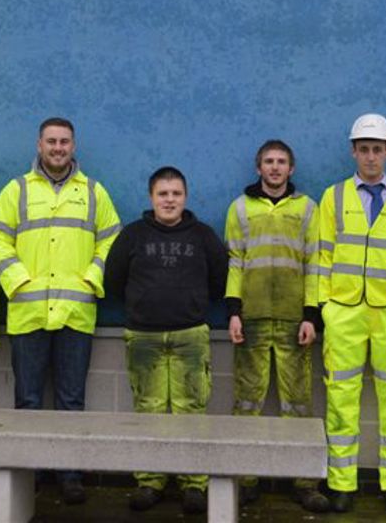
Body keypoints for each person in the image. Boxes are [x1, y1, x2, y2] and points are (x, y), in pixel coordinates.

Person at [0, 117, 121, 504]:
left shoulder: (92, 192)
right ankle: (30, 472)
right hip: (28, 312)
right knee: (27, 399)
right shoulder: (18, 190)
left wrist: (91, 278)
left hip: (76, 313)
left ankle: (69, 472)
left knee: (71, 399)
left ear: (74, 146)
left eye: (64, 142)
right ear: (39, 145)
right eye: (51, 141)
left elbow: (111, 238)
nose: (58, 148)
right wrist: (17, 280)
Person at [104, 166, 227, 515]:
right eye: (163, 194)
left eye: (175, 194)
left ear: (185, 197)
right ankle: (150, 481)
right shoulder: (132, 236)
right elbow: (113, 281)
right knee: (149, 409)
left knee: (192, 408)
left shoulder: (203, 235)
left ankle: (194, 484)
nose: (169, 200)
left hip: (191, 335)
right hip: (143, 336)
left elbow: (220, 281)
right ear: (151, 197)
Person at [318, 113, 386, 516]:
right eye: (364, 149)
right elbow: (322, 257)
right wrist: (325, 306)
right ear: (353, 152)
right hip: (344, 311)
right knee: (341, 399)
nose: (371, 157)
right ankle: (341, 483)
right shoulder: (334, 197)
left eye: (378, 149)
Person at [224, 140, 330, 512]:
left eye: (281, 162)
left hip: (292, 319)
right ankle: (244, 478)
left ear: (291, 168)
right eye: (268, 161)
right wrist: (233, 311)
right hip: (251, 317)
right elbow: (235, 262)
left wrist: (311, 315)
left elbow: (316, 264)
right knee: (247, 401)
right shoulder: (239, 208)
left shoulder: (307, 208)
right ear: (258, 167)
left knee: (297, 402)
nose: (274, 167)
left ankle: (304, 481)